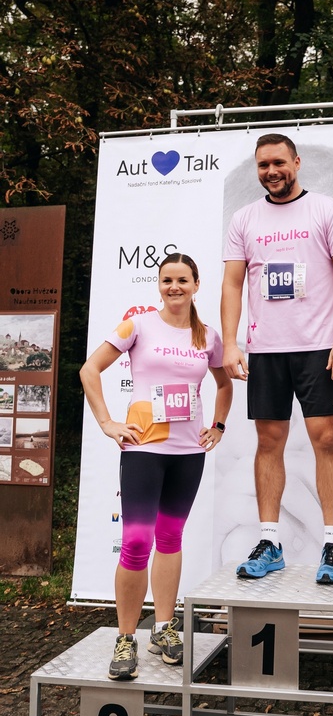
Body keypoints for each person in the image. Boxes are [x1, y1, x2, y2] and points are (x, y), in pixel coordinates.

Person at [80, 253, 232, 681]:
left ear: (196, 284)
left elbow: (224, 384)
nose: (174, 287)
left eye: (182, 280)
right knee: (135, 543)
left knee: (169, 538)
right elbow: (90, 370)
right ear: (159, 285)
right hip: (144, 449)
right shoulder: (138, 326)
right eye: (167, 280)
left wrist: (218, 425)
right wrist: (108, 423)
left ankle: (164, 627)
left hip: (188, 453)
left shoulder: (208, 336)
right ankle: (126, 637)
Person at [221, 133, 333, 585]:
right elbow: (232, 284)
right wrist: (230, 343)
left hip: (319, 348)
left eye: (279, 162)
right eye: (263, 165)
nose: (271, 172)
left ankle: (332, 545)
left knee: (326, 440)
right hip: (265, 350)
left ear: (296, 163)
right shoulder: (244, 218)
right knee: (268, 442)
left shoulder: (326, 209)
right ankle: (270, 542)